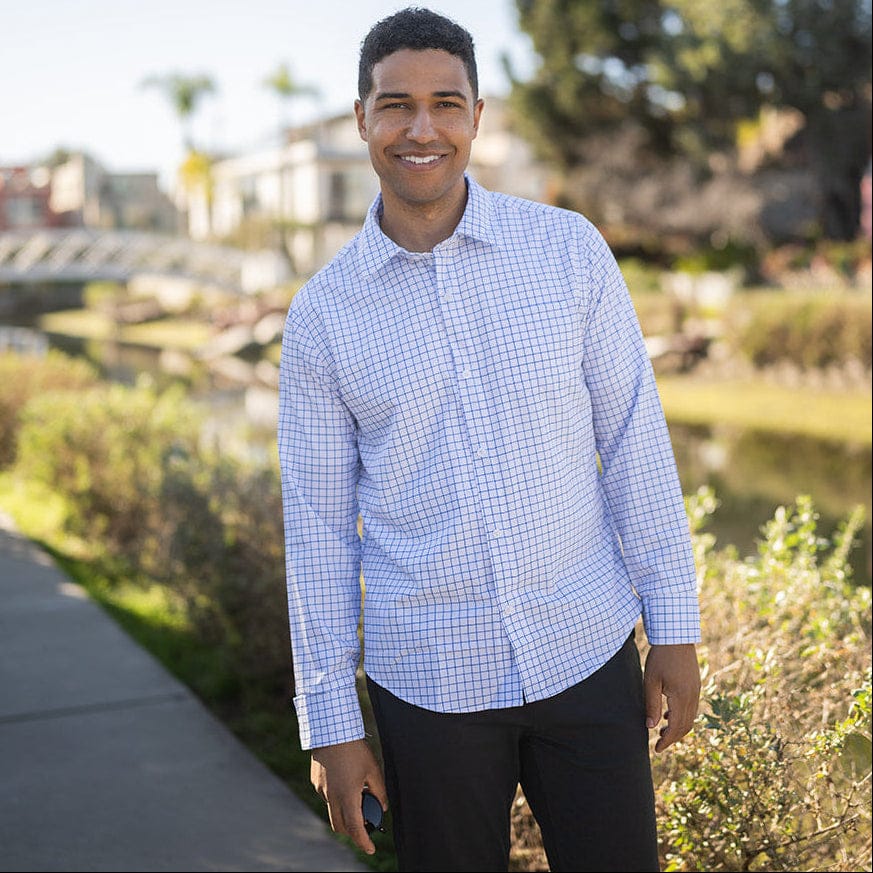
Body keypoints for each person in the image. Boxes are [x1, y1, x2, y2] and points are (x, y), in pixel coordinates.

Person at [278, 7, 702, 872]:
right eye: (395, 105)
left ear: (478, 115)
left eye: (446, 102)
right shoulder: (322, 317)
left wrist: (675, 628)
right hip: (427, 686)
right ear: (361, 119)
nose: (421, 127)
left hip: (586, 656)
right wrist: (331, 725)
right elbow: (317, 532)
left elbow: (633, 443)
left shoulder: (568, 252)